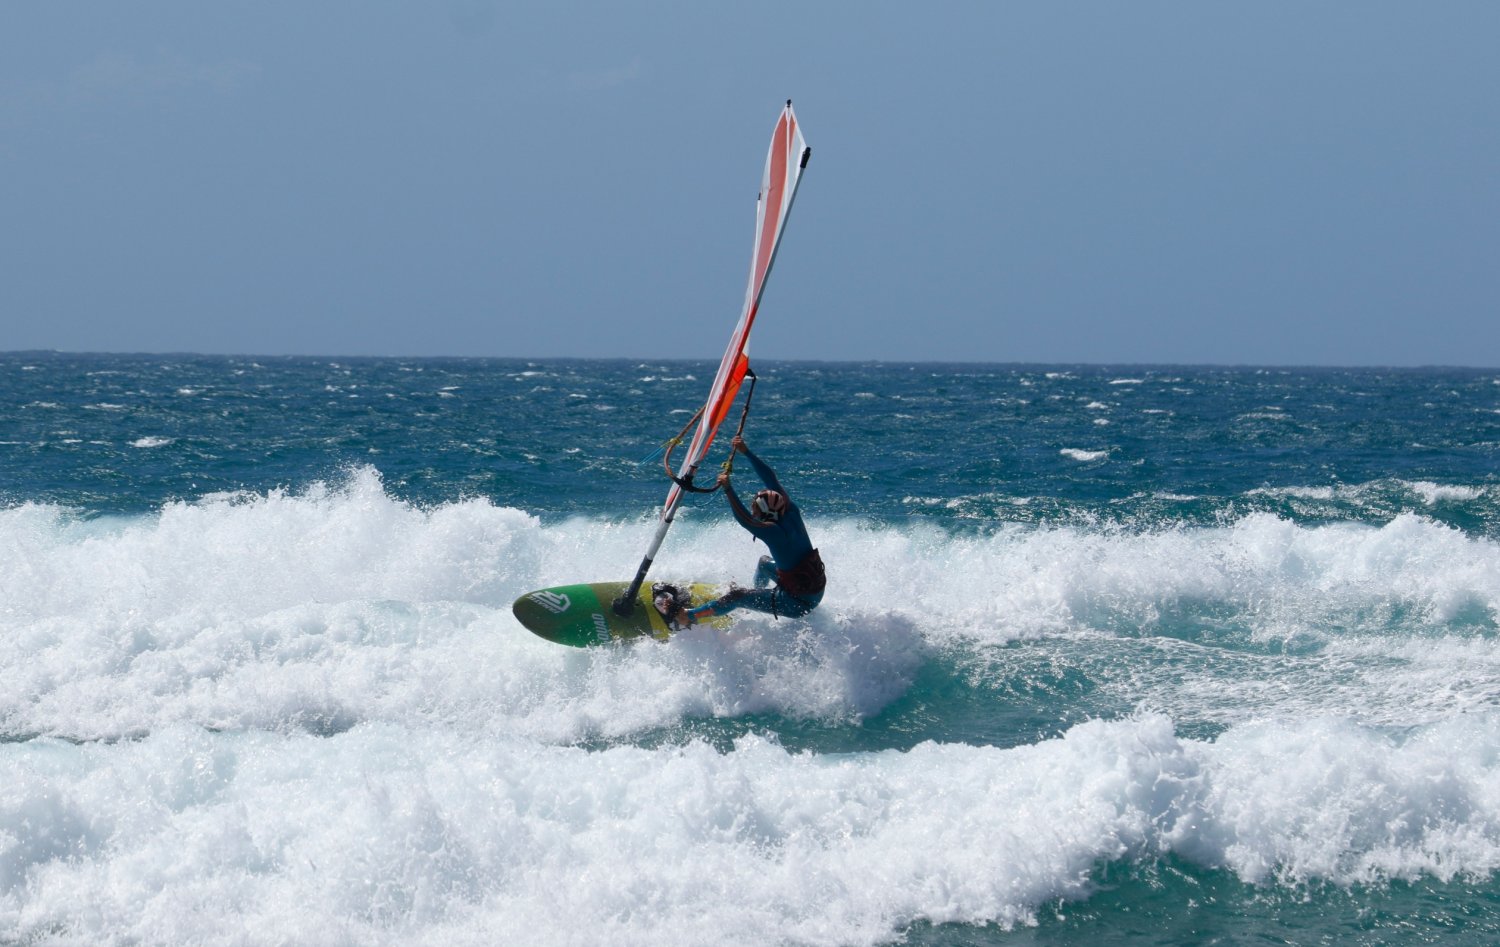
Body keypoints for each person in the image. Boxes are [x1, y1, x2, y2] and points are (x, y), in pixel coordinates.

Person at [654, 435, 825, 629]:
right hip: (812, 589)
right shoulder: (789, 509)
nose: (753, 512)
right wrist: (746, 451)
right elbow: (770, 478)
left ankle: (689, 616)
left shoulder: (774, 533)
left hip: (797, 603)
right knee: (763, 563)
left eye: (756, 510)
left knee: (737, 596)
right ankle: (754, 599)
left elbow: (744, 519)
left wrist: (728, 489)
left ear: (766, 514)